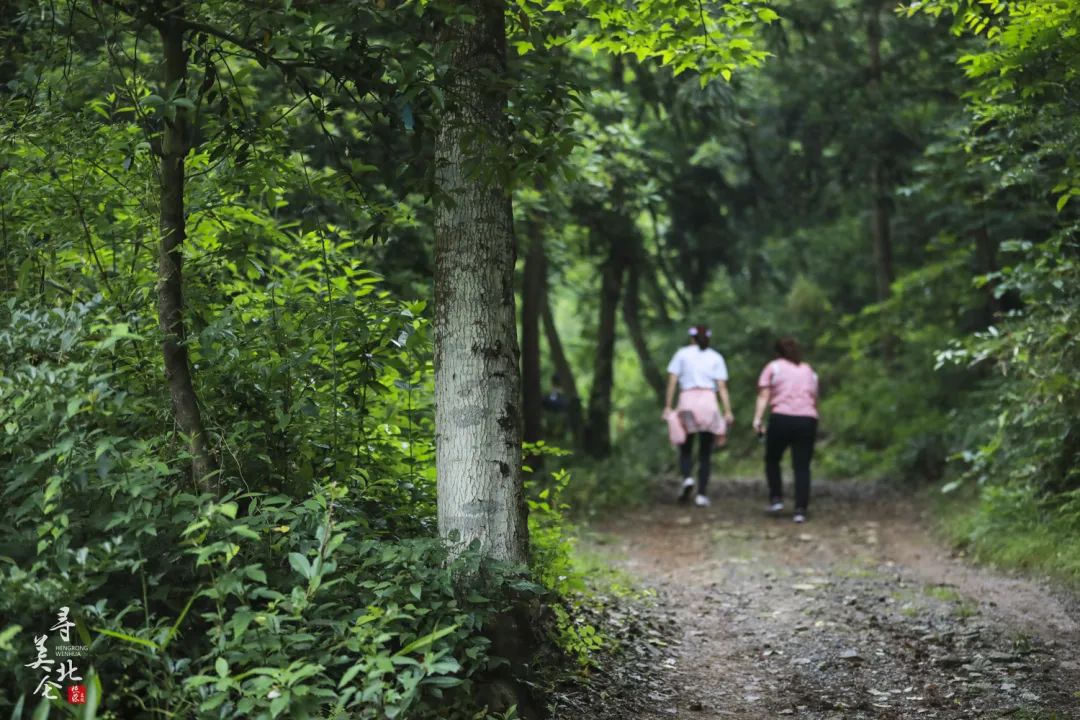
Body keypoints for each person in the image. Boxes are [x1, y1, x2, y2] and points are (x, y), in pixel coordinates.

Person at [663, 325, 735, 507]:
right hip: (708, 403)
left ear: (692, 338)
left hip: (687, 401)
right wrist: (727, 410)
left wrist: (668, 406)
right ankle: (702, 494)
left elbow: (672, 380)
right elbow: (722, 386)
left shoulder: (682, 354)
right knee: (705, 450)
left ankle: (687, 477)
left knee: (686, 445)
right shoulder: (715, 357)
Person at [751, 337, 819, 523]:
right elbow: (814, 397)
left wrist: (757, 419)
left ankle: (776, 498)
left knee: (772, 458)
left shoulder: (774, 367)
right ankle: (800, 509)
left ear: (777, 352)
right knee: (802, 466)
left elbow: (764, 395)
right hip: (807, 419)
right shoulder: (808, 370)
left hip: (781, 418)